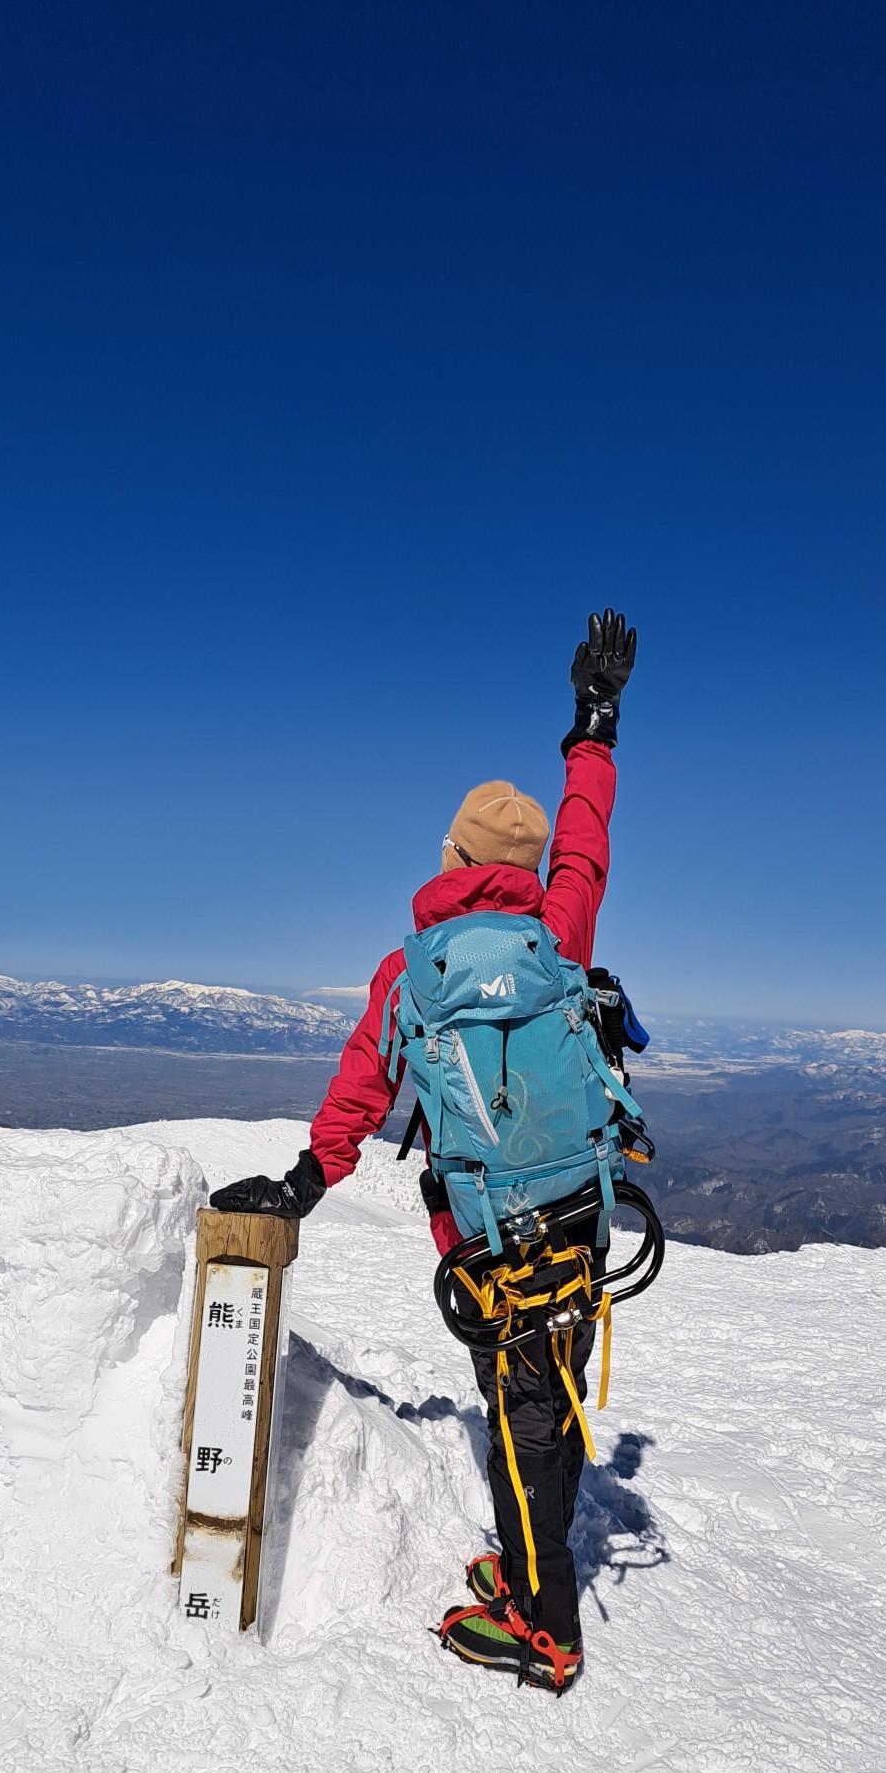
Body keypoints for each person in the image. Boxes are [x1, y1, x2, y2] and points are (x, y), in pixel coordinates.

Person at [210, 609, 638, 1694]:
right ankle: (535, 1568)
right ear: (528, 871)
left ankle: (545, 1629)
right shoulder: (560, 931)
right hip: (581, 1214)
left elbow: (364, 1085)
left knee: (519, 1407)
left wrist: (307, 1181)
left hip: (488, 1232)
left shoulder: (415, 971)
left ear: (453, 857)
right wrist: (596, 724)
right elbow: (586, 837)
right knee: (554, 1398)